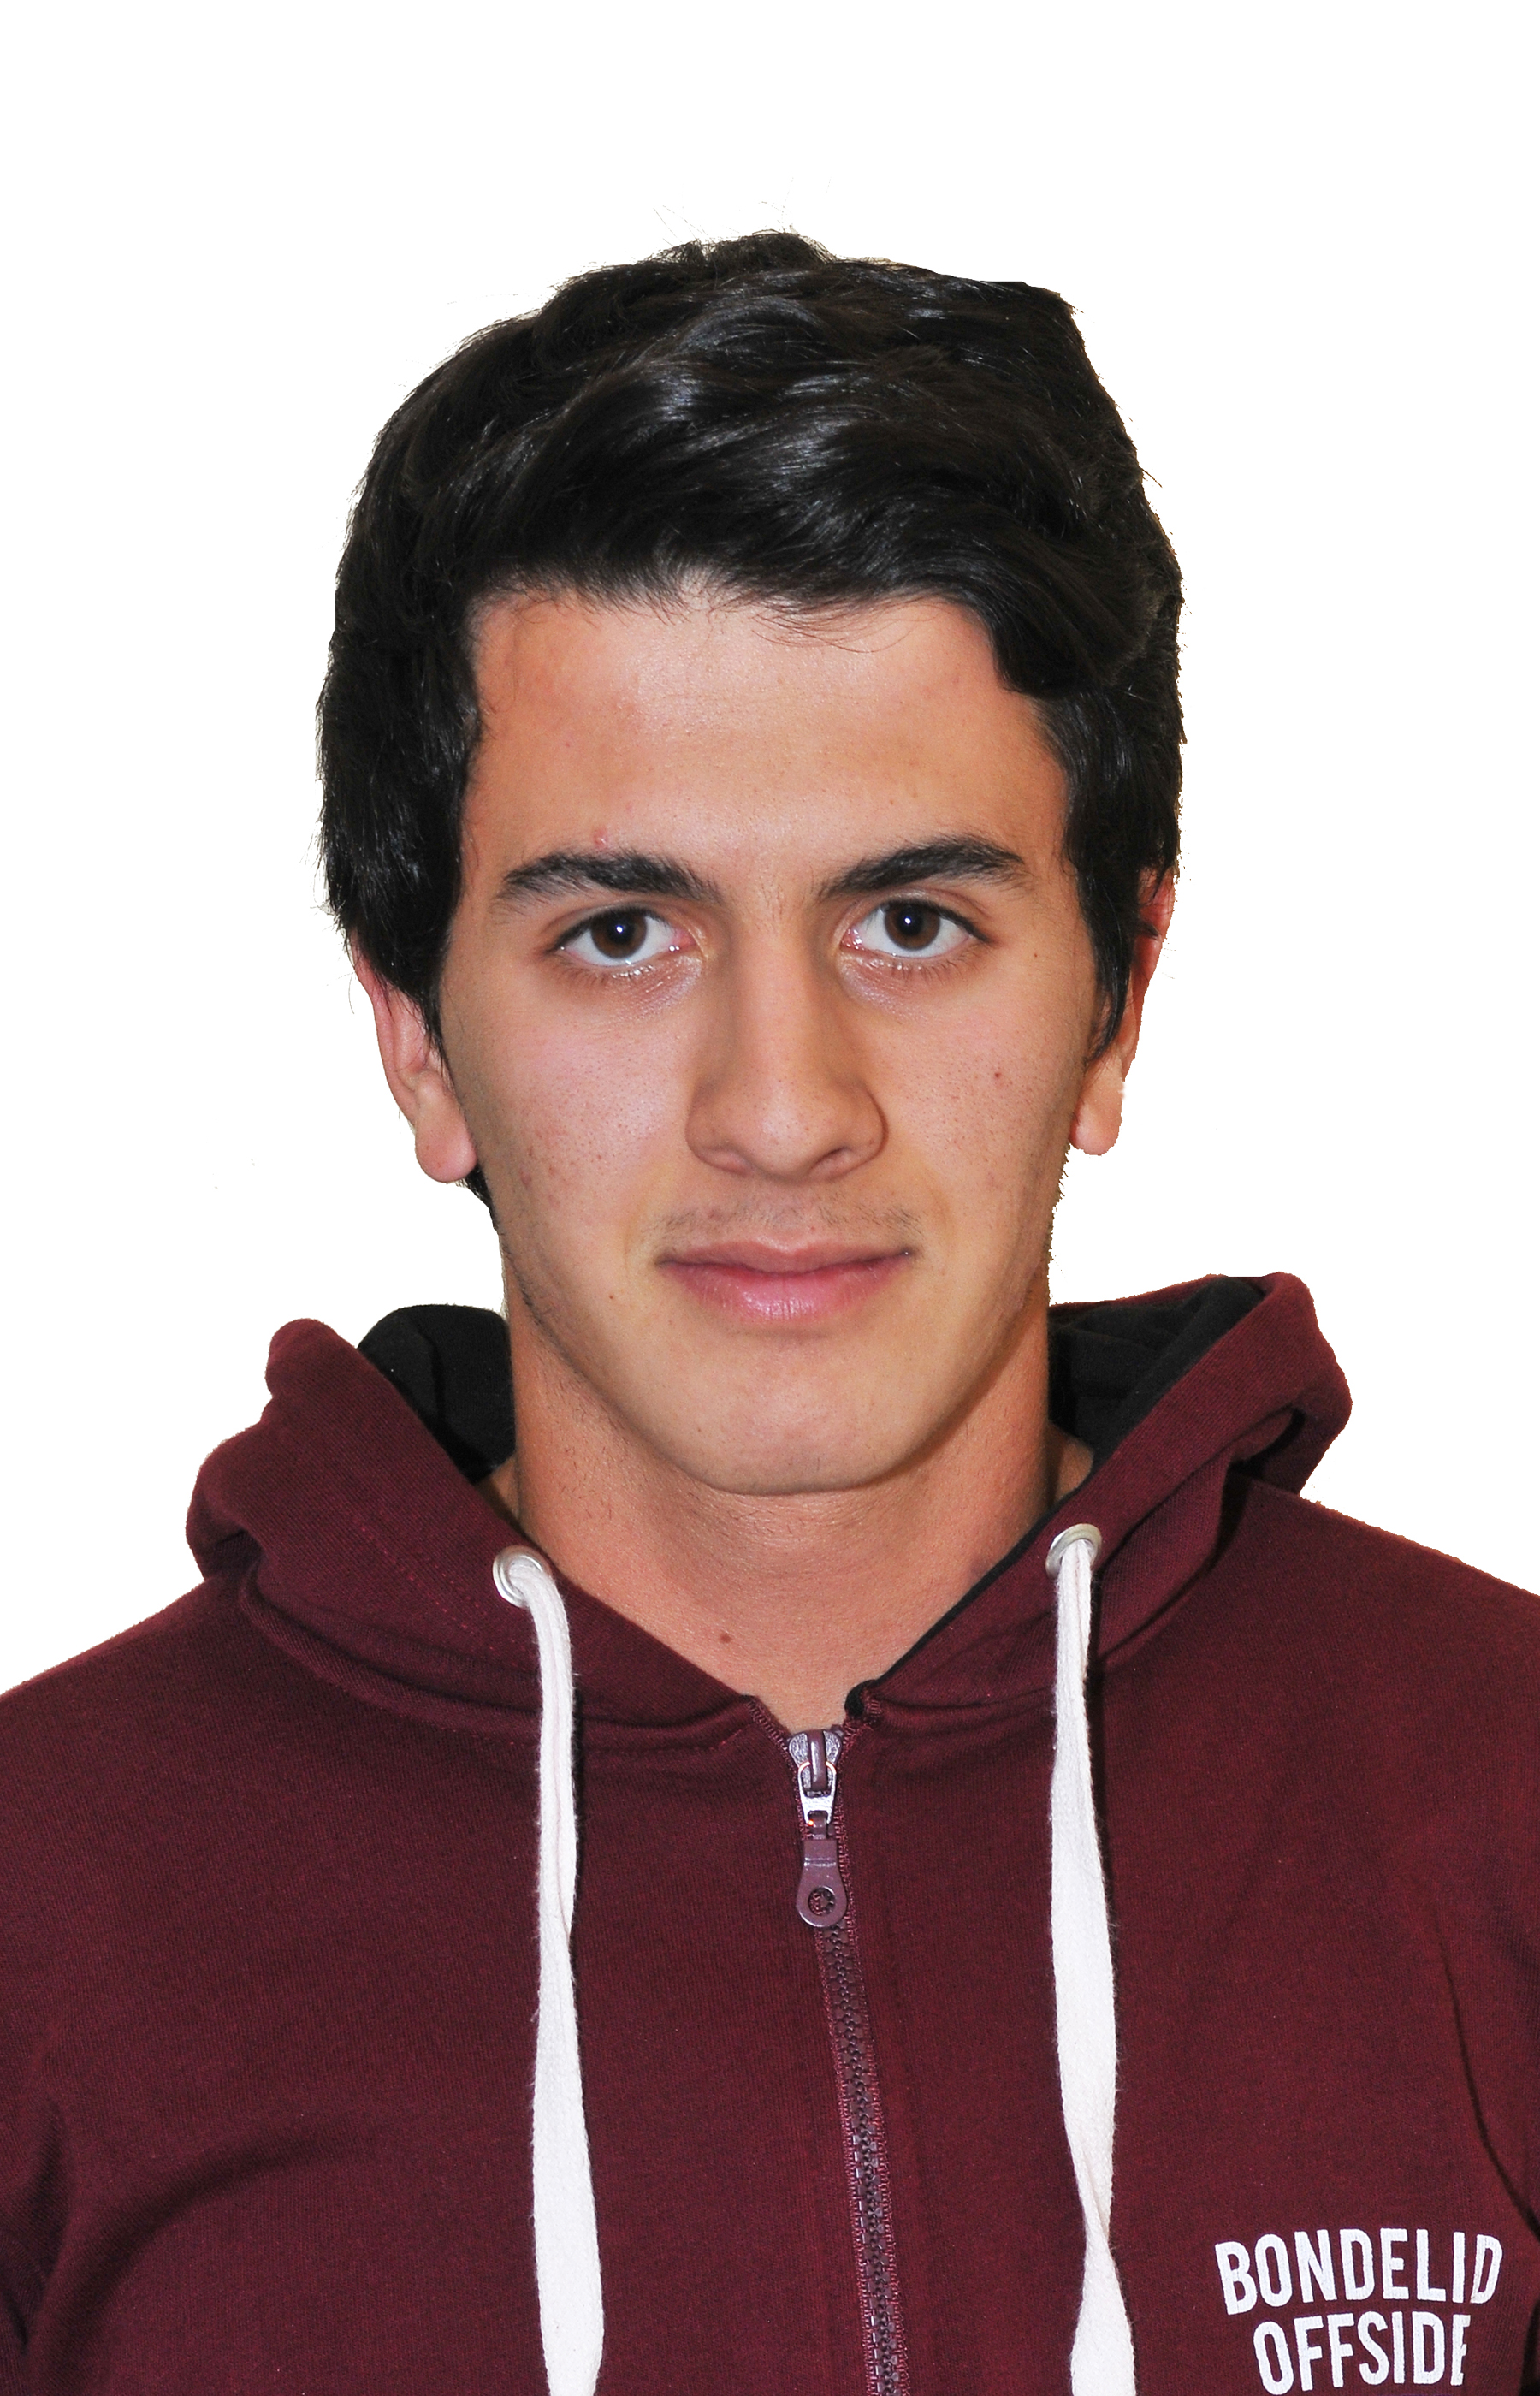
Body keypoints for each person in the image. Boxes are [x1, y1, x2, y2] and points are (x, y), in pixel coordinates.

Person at [2, 233, 1535, 2396]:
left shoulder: (1498, 1794)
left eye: (910, 919)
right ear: (418, 1038)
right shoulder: (46, 1907)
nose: (785, 1109)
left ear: (1115, 1001)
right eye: (623, 933)